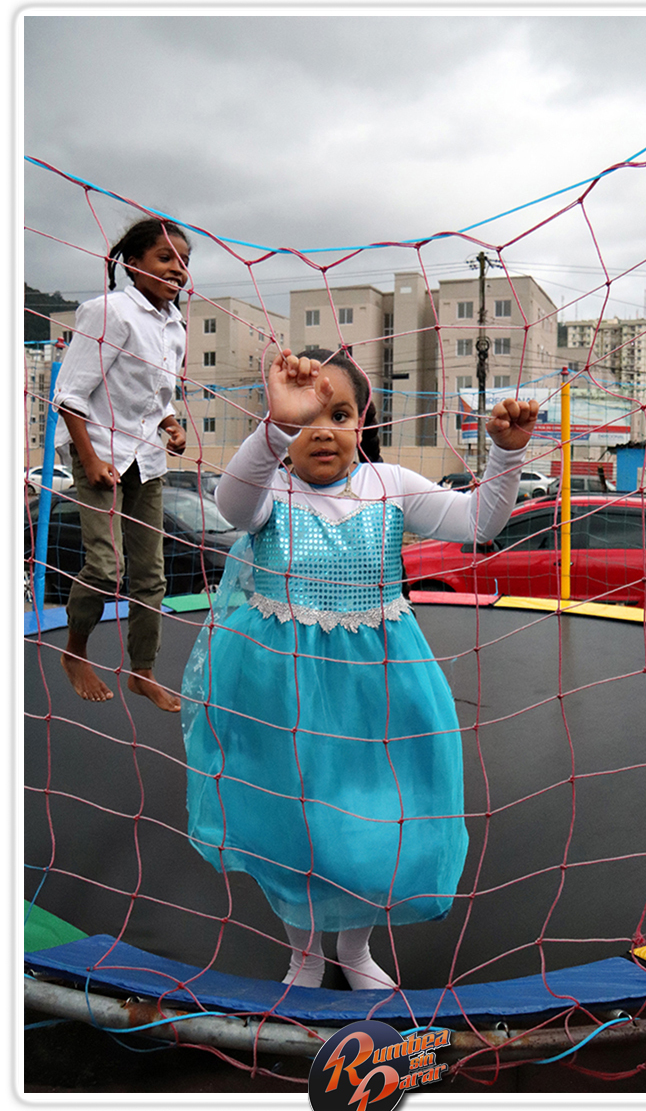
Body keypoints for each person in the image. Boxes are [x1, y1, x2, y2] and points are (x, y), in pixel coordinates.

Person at [182, 348, 539, 990]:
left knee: (373, 822)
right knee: (294, 825)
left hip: (378, 685)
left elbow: (479, 522)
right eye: (306, 419)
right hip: (282, 686)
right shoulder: (271, 490)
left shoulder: (388, 483)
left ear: (362, 423)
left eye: (339, 415)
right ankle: (304, 953)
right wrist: (276, 425)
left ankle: (353, 949)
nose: (322, 431)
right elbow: (232, 505)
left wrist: (506, 456)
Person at [52, 217, 191, 711]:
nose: (178, 269)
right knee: (107, 567)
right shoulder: (108, 312)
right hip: (102, 454)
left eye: (184, 262)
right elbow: (70, 394)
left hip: (146, 460)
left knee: (151, 575)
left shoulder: (176, 327)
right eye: (165, 258)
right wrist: (89, 459)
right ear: (133, 265)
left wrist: (170, 425)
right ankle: (75, 651)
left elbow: (156, 396)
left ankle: (142, 671)